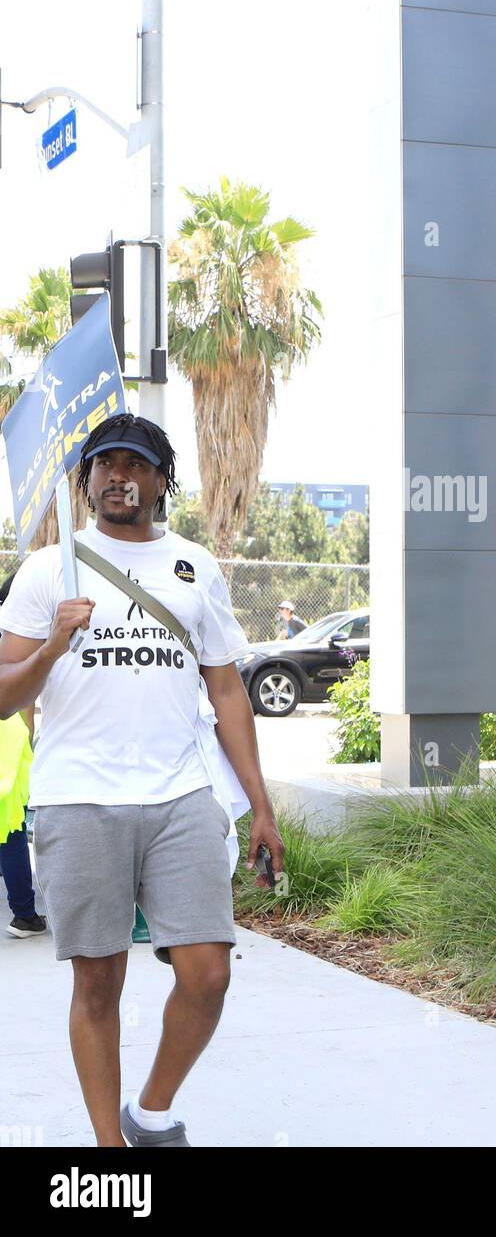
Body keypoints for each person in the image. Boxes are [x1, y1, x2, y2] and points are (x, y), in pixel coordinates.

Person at [0, 413, 285, 1148]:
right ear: (86, 479)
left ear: (163, 481)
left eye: (135, 463)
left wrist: (260, 804)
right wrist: (54, 645)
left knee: (208, 973)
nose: (116, 475)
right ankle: (111, 1147)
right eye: (103, 463)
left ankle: (151, 1109)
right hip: (79, 798)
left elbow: (225, 691)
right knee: (97, 983)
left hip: (179, 795)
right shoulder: (46, 570)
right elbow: (5, 692)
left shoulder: (195, 566)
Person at [0, 567, 44, 939]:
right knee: (11, 828)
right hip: (7, 740)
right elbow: (24, 705)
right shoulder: (19, 636)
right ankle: (25, 914)